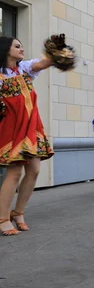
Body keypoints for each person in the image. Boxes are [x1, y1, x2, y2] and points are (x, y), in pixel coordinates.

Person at [0, 36, 55, 236]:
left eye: (22, 45)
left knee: (34, 170)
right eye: (17, 46)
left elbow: (45, 63)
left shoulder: (25, 68)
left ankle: (18, 212)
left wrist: (57, 51)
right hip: (12, 130)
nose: (22, 49)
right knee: (14, 173)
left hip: (32, 127)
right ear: (6, 49)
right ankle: (3, 218)